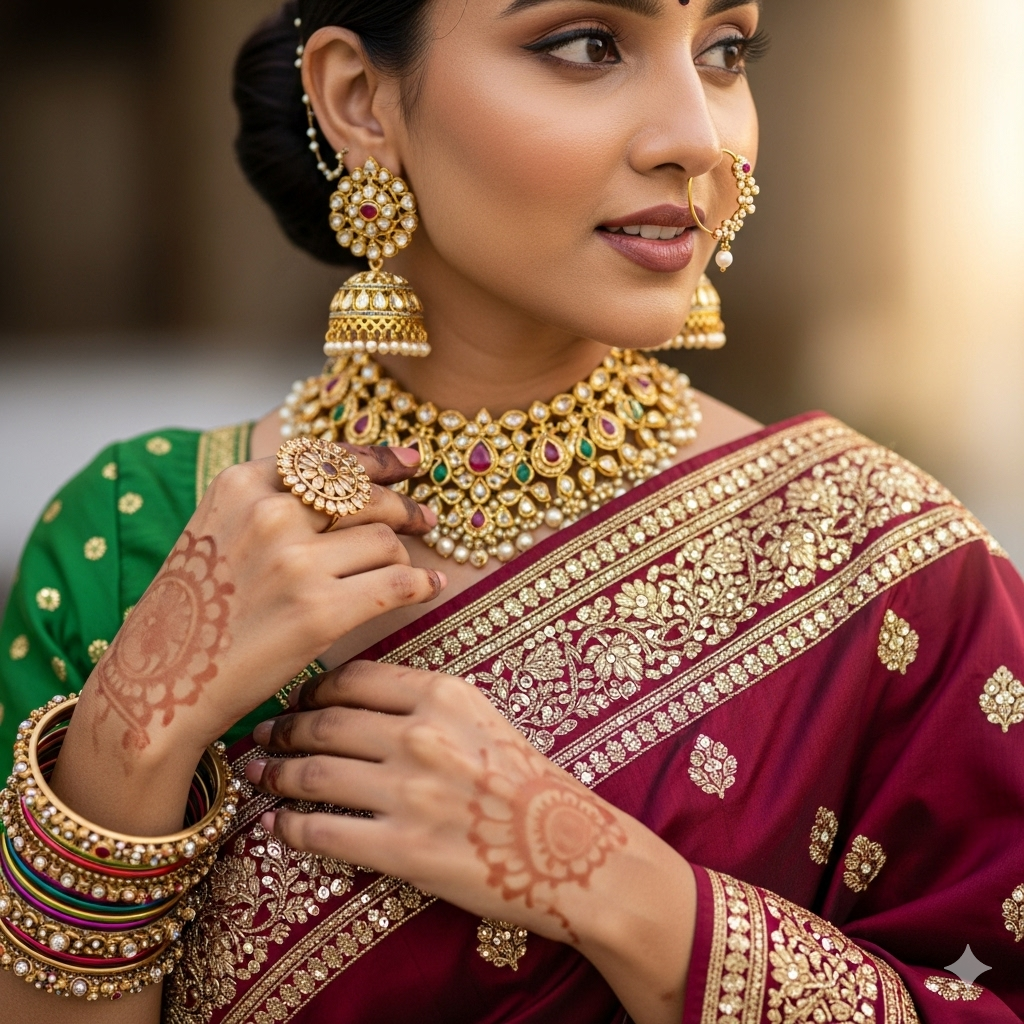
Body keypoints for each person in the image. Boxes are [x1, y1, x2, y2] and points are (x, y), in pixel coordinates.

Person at [1, 0, 1022, 1020]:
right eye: (588, 45)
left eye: (723, 51)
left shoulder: (893, 572)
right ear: (360, 100)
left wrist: (625, 892)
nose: (697, 139)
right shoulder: (143, 533)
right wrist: (128, 740)